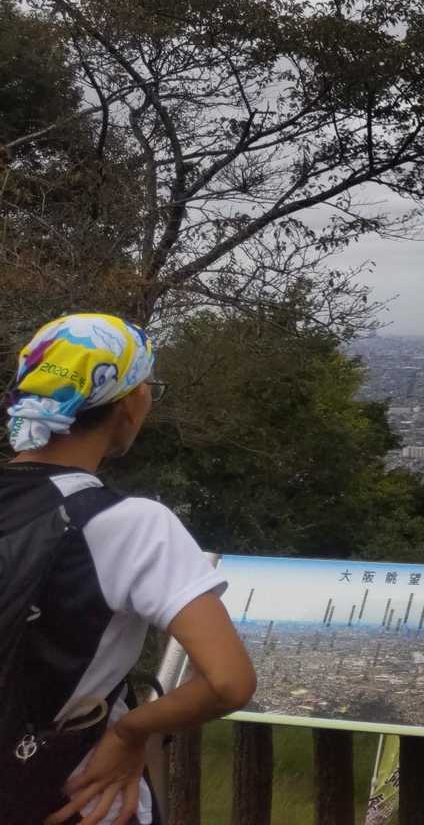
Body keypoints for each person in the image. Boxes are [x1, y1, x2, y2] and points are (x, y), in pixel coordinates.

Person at [0, 313, 256, 825]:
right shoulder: (132, 524)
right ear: (132, 402)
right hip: (75, 795)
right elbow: (229, 681)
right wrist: (129, 732)